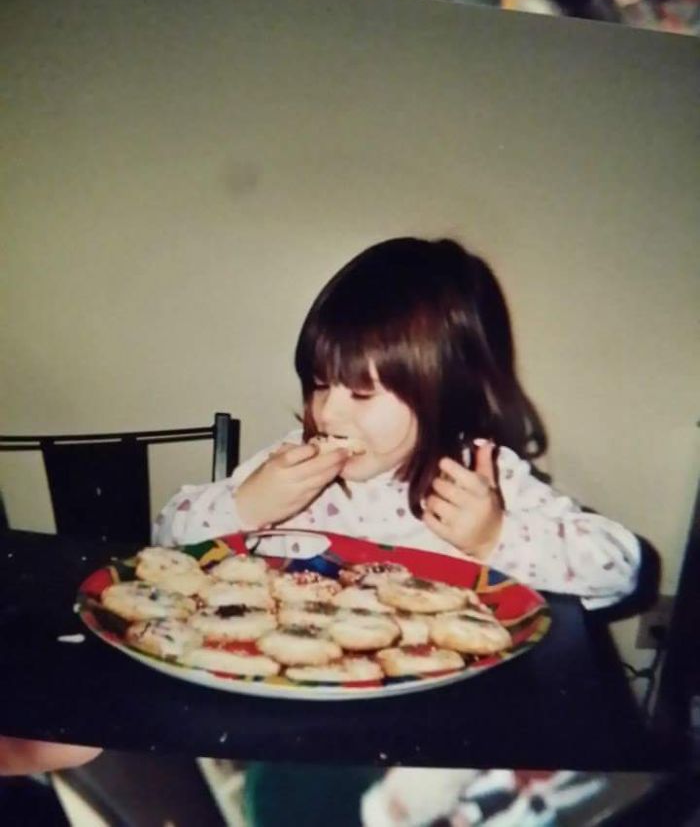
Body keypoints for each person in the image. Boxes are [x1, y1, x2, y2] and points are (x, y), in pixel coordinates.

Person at [154, 237, 640, 609]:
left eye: (362, 393)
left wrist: (495, 536)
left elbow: (620, 566)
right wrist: (246, 506)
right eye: (320, 385)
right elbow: (165, 540)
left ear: (445, 391)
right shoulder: (291, 465)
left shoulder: (477, 479)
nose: (327, 413)